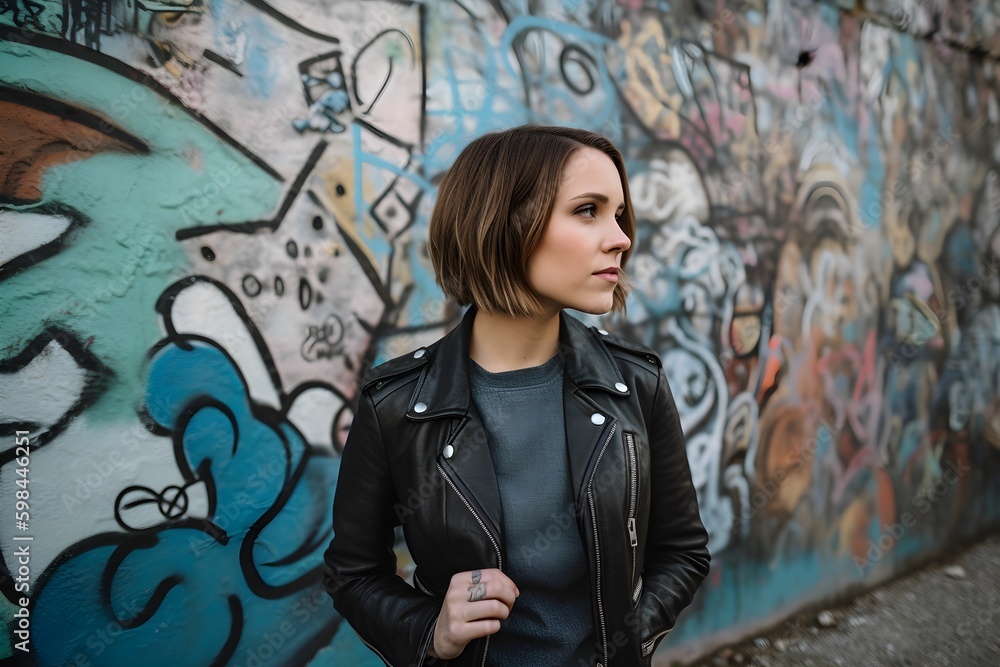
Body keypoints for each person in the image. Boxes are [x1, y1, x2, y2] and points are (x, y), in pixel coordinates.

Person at [323, 125, 710, 667]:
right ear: (504, 225)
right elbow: (353, 574)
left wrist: (625, 640)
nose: (621, 236)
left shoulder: (634, 385)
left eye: (619, 213)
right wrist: (431, 632)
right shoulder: (398, 405)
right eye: (587, 210)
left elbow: (683, 553)